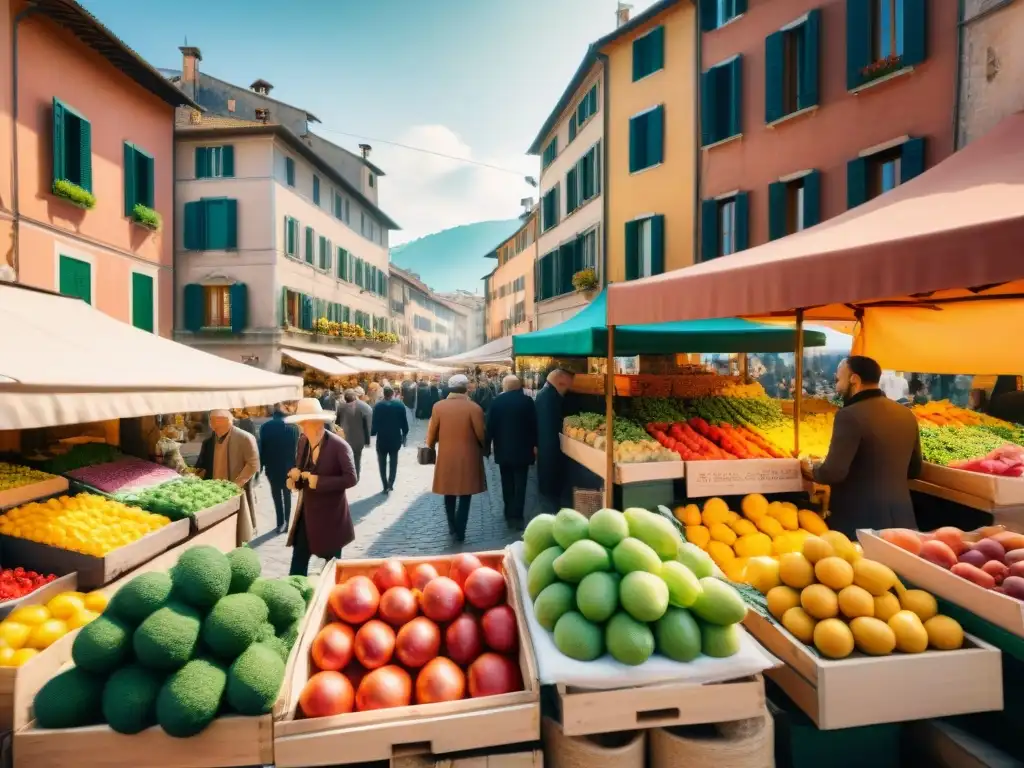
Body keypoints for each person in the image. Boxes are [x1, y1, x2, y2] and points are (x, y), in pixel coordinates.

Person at [802, 356, 923, 538]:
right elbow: (914, 470)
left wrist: (811, 469)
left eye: (838, 380)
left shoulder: (849, 415)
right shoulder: (907, 414)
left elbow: (833, 472)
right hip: (903, 520)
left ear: (854, 379)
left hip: (861, 524)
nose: (837, 387)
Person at [285, 398, 358, 576]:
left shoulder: (340, 446)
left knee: (331, 567)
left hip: (331, 517)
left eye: (304, 423)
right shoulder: (303, 441)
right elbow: (303, 470)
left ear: (316, 423)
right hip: (307, 514)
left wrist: (320, 482)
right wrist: (295, 479)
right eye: (300, 423)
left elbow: (351, 479)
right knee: (298, 562)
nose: (301, 427)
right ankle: (295, 595)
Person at [427, 374, 487, 542]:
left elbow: (432, 432)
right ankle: (461, 529)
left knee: (449, 491)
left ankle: (451, 525)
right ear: (466, 388)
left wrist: (430, 446)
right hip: (469, 455)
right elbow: (481, 434)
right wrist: (485, 448)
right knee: (466, 493)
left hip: (446, 455)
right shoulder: (474, 408)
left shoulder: (438, 406)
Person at [194, 410, 260, 545]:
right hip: (214, 492)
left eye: (213, 421)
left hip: (236, 489)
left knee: (240, 525)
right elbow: (202, 465)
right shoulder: (208, 442)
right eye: (211, 421)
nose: (211, 424)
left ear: (224, 421)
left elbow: (253, 464)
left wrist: (236, 484)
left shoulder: (245, 438)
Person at [486, 375, 537, 529]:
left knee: (506, 481)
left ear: (505, 386)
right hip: (523, 449)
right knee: (521, 483)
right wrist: (535, 445)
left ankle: (508, 512)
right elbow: (534, 425)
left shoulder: (497, 402)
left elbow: (490, 426)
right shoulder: (527, 402)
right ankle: (518, 513)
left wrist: (487, 447)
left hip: (503, 449)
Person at [535, 369, 575, 511]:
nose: (570, 388)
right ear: (561, 382)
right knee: (551, 499)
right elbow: (550, 430)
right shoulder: (549, 399)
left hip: (547, 456)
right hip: (551, 455)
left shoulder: (546, 395)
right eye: (569, 384)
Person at [259, 405, 299, 534]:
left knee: (276, 495)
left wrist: (260, 466)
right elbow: (297, 449)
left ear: (274, 415)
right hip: (289, 466)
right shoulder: (294, 427)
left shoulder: (265, 427)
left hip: (272, 466)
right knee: (287, 494)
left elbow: (261, 449)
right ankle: (287, 523)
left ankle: (279, 522)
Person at [372, 386, 410, 493]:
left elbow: (374, 424)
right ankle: (390, 483)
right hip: (395, 438)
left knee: (382, 463)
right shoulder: (399, 405)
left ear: (384, 394)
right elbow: (404, 423)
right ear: (393, 393)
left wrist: (373, 432)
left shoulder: (378, 406)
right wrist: (404, 433)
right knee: (394, 462)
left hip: (382, 438)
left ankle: (384, 484)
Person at [336, 389, 373, 480]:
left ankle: (347, 474)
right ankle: (356, 477)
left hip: (345, 438)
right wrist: (367, 441)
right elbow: (366, 426)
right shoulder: (363, 407)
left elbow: (337, 423)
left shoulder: (341, 407)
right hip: (358, 439)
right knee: (357, 458)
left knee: (346, 457)